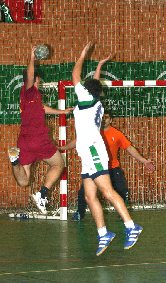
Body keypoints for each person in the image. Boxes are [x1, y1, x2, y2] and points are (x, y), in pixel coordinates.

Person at [71, 42, 147, 256]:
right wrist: (100, 65)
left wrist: (83, 54)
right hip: (86, 153)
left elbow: (74, 75)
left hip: (94, 151)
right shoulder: (92, 100)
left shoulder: (86, 99)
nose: (81, 86)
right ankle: (103, 233)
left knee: (107, 191)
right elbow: (93, 83)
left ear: (86, 91)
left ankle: (132, 226)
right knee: (88, 196)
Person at [8, 46, 73, 215]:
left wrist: (62, 112)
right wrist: (32, 57)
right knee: (59, 163)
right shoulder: (29, 91)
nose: (39, 81)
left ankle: (14, 161)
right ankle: (42, 195)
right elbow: (29, 75)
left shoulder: (32, 98)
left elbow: (43, 109)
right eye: (38, 79)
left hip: (24, 141)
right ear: (35, 79)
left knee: (24, 181)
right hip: (39, 139)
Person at [60, 110, 155, 221]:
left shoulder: (117, 134)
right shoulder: (92, 133)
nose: (104, 119)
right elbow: (77, 141)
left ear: (111, 120)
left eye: (107, 117)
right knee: (84, 192)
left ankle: (122, 213)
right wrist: (62, 148)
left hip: (113, 169)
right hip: (96, 168)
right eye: (102, 117)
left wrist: (144, 161)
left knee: (122, 189)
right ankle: (79, 213)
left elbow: (129, 148)